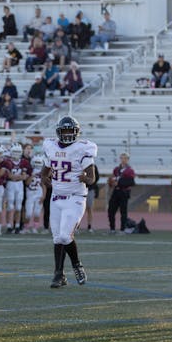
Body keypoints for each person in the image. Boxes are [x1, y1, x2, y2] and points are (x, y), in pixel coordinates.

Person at [41, 116, 97, 288]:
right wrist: (45, 179)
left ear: (76, 133)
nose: (66, 135)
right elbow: (44, 172)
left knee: (66, 236)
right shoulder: (50, 147)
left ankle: (77, 265)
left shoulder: (82, 148)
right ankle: (59, 274)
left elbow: (92, 178)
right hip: (56, 197)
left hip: (75, 197)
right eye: (63, 131)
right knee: (57, 238)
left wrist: (85, 178)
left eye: (69, 131)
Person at [2, 145, 30, 233]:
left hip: (19, 185)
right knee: (10, 206)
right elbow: (10, 176)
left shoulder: (24, 162)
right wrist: (20, 176)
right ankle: (9, 226)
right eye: (15, 152)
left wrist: (17, 177)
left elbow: (25, 176)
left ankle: (17, 226)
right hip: (10, 184)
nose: (16, 154)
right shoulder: (7, 162)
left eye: (18, 152)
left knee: (18, 207)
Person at [107, 152, 135, 234]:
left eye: (125, 158)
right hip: (116, 191)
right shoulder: (116, 169)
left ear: (128, 160)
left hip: (124, 192)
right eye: (122, 158)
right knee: (111, 210)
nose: (123, 160)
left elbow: (131, 182)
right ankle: (112, 229)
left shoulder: (130, 170)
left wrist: (119, 183)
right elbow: (113, 179)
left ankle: (122, 229)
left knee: (123, 211)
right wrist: (111, 182)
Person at [82, 164, 99, 232]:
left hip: (90, 189)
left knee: (89, 208)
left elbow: (96, 178)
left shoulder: (93, 166)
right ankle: (76, 226)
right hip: (80, 190)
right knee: (78, 209)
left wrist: (88, 181)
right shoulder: (80, 165)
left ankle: (89, 226)